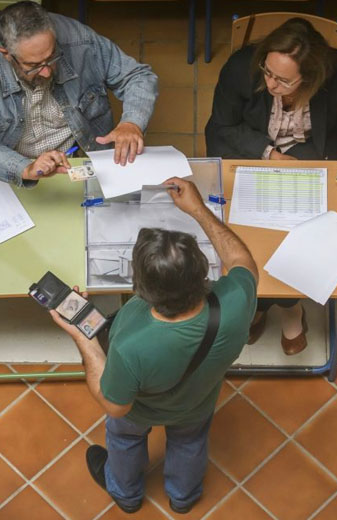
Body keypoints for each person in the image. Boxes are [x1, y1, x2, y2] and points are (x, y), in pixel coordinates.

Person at [50, 177, 258, 514]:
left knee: (125, 437)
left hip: (138, 412)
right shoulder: (235, 300)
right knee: (190, 441)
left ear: (140, 288)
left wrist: (82, 337)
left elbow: (115, 405)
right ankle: (183, 497)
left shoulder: (130, 346)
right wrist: (198, 210)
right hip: (197, 403)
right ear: (204, 271)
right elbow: (241, 259)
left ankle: (126, 494)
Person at [205, 17, 337, 354]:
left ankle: (281, 307)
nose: (270, 84)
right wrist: (270, 155)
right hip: (254, 153)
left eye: (283, 80)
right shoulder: (241, 69)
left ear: (310, 79)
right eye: (268, 72)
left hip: (315, 155)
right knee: (254, 233)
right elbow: (221, 128)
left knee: (298, 234)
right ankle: (282, 306)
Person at [0, 0, 158, 187]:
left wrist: (132, 123)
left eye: (52, 58)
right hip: (9, 160)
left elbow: (137, 76)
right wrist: (23, 168)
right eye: (34, 66)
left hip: (74, 159)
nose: (46, 72)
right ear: (6, 54)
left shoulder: (80, 39)